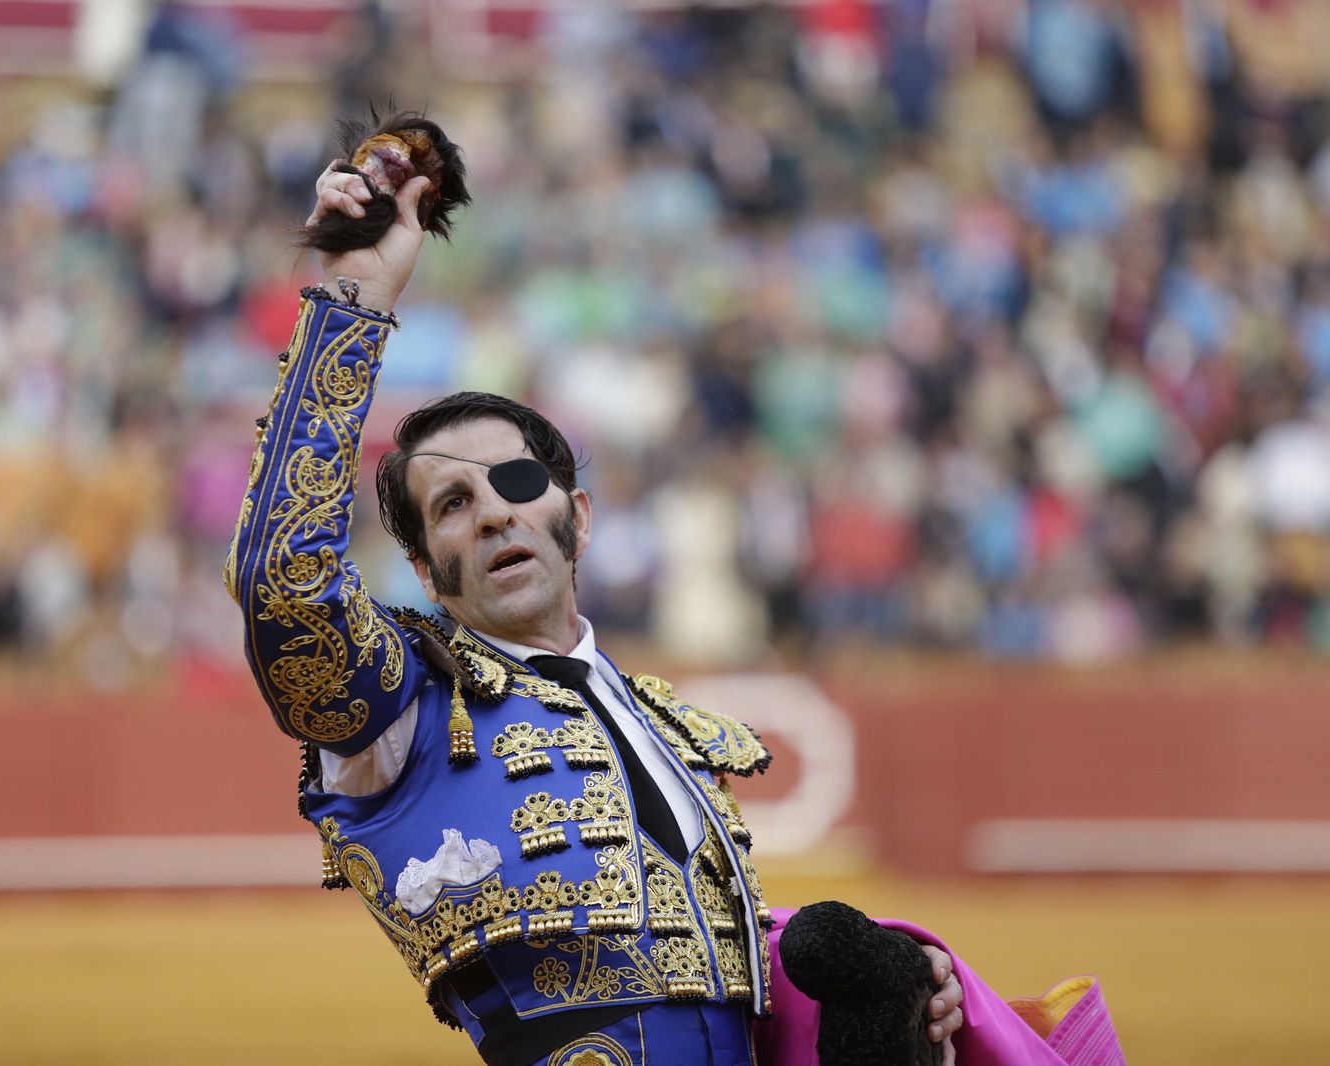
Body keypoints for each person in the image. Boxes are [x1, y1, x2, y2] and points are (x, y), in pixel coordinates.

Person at [227, 165, 966, 1066]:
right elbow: (282, 581)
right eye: (453, 504)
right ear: (424, 569)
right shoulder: (407, 707)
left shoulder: (661, 724)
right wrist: (355, 299)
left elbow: (717, 978)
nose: (493, 513)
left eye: (515, 482)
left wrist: (892, 980)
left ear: (576, 519)